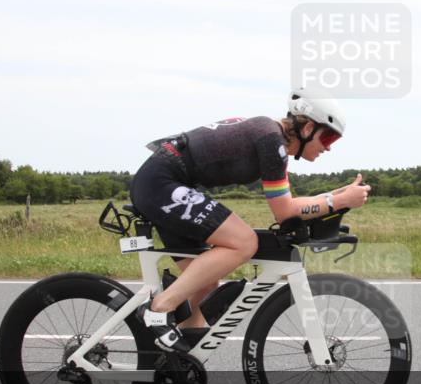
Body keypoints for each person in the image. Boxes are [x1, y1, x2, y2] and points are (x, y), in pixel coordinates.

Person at [128, 91, 371, 356]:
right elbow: (285, 212)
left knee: (206, 286)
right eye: (328, 137)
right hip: (161, 183)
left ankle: (180, 374)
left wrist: (335, 197)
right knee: (244, 242)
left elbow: (287, 203)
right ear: (308, 127)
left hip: (166, 182)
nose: (328, 146)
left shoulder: (270, 137)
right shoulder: (271, 141)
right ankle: (158, 309)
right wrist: (337, 201)